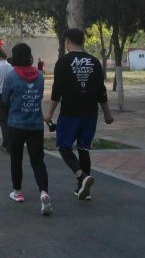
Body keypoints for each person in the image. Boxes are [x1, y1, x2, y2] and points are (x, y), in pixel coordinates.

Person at [44, 28, 113, 201]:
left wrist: (49, 112)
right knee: (83, 148)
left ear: (67, 41)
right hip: (90, 113)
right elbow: (101, 91)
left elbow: (57, 91)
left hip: (70, 113)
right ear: (83, 41)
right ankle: (84, 191)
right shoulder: (94, 62)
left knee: (63, 146)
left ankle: (82, 177)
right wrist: (107, 113)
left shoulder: (63, 62)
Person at [2, 43, 51, 216]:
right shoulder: (40, 76)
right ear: (30, 56)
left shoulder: (11, 76)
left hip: (16, 124)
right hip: (36, 125)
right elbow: (39, 96)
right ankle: (44, 192)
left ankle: (17, 192)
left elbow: (4, 99)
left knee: (16, 159)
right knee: (38, 160)